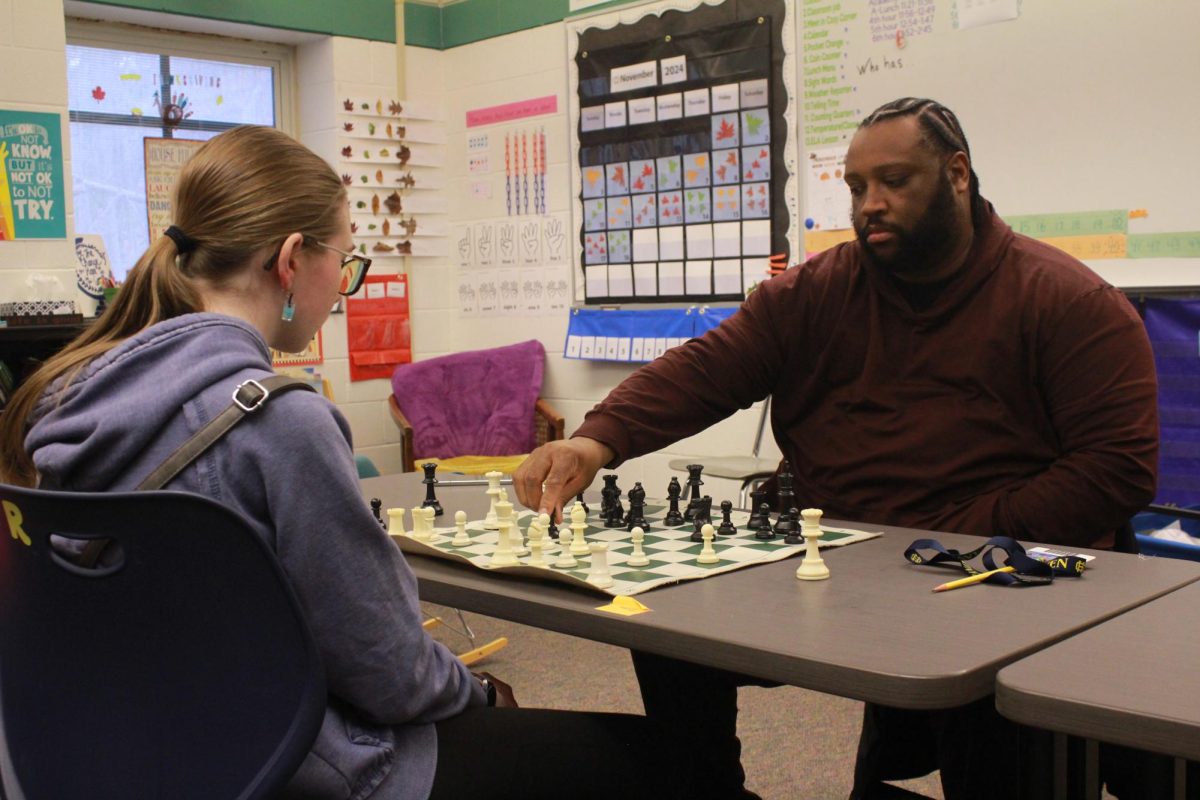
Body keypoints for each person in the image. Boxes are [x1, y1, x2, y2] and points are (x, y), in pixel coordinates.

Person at [0, 126, 715, 800]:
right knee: (671, 761)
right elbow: (390, 671)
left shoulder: (65, 396)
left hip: (126, 749)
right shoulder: (278, 418)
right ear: (289, 262)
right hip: (291, 765)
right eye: (344, 262)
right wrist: (481, 695)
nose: (346, 288)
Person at [513, 98, 1159, 799]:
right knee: (668, 623)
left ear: (958, 175)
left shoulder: (1065, 301)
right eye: (856, 188)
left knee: (996, 705)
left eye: (895, 182)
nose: (871, 204)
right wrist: (594, 441)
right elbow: (706, 370)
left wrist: (945, 539)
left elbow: (1115, 472)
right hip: (842, 563)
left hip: (993, 579)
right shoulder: (815, 294)